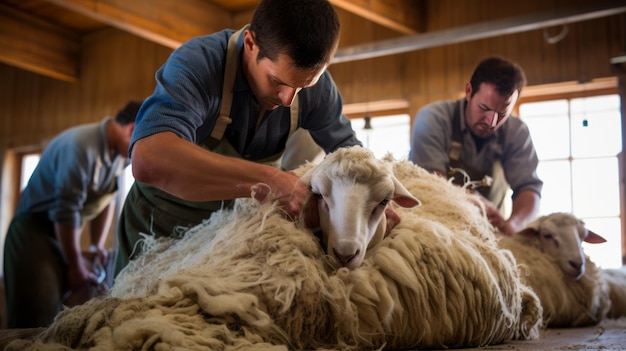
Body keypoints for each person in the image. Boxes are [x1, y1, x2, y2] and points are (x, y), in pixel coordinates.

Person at [114, 0, 361, 276]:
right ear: (250, 43)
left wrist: (369, 199)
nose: (287, 99)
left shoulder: (313, 88)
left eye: (304, 86)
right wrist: (271, 179)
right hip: (157, 231)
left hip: (233, 238)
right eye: (277, 81)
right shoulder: (199, 64)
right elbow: (149, 158)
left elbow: (351, 154)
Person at [3, 101, 141, 328]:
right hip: (34, 232)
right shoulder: (81, 147)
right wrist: (76, 265)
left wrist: (97, 245)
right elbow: (66, 212)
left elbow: (105, 202)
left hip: (62, 232)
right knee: (36, 317)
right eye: (142, 140)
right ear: (132, 129)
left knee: (62, 314)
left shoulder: (120, 156)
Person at [409, 56, 542, 236]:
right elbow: (432, 185)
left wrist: (513, 225)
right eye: (484, 109)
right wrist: (472, 200)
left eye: (502, 114)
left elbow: (528, 188)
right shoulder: (432, 120)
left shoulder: (516, 132)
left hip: (488, 232)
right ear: (469, 91)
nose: (491, 122)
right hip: (432, 227)